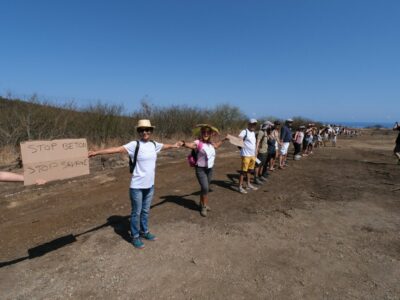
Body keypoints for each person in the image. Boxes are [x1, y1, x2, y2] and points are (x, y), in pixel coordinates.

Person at [88, 119, 181, 249]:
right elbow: (117, 149)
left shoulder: (154, 144)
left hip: (150, 185)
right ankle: (135, 236)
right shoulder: (134, 144)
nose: (145, 132)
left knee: (145, 211)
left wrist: (174, 145)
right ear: (139, 132)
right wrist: (97, 152)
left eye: (147, 130)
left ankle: (144, 231)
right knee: (136, 212)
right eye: (142, 130)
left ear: (151, 131)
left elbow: (164, 146)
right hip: (137, 186)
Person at [181, 124, 228, 217]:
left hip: (210, 169)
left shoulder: (211, 144)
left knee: (204, 189)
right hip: (200, 169)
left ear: (210, 134)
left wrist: (224, 139)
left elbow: (217, 146)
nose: (205, 133)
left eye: (208, 132)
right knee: (206, 188)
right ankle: (203, 207)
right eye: (204, 132)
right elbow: (191, 145)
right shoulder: (198, 142)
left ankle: (203, 203)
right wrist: (183, 143)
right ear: (201, 133)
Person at [238, 119, 259, 194]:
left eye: (255, 124)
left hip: (252, 155)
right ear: (249, 124)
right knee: (243, 171)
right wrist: (241, 143)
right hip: (246, 155)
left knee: (250, 170)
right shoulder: (245, 131)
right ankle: (240, 187)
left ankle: (248, 184)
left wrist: (256, 152)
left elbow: (254, 143)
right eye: (252, 124)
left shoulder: (253, 133)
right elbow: (239, 138)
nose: (253, 126)